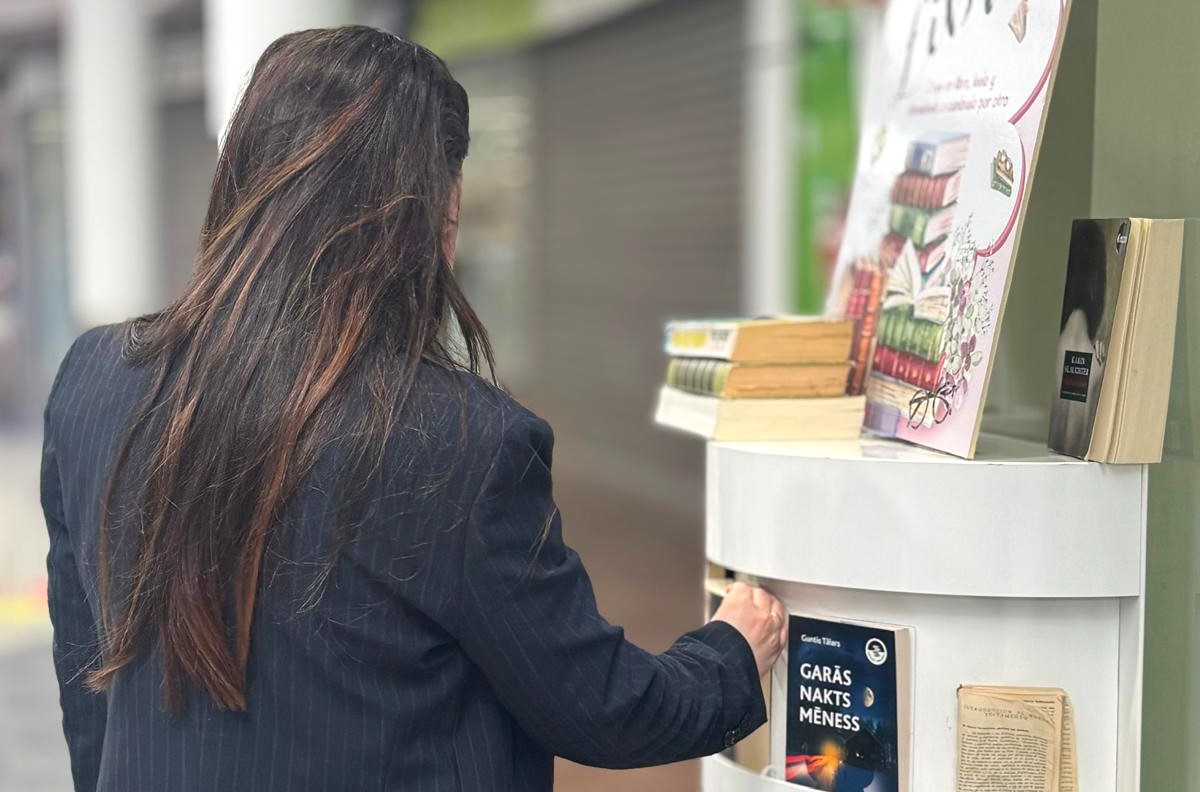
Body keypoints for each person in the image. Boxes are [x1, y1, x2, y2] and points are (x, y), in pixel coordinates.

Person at [40, 26, 786, 792]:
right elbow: (598, 706)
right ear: (432, 210)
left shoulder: (97, 377)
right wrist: (728, 652)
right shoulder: (458, 441)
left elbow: (87, 673)